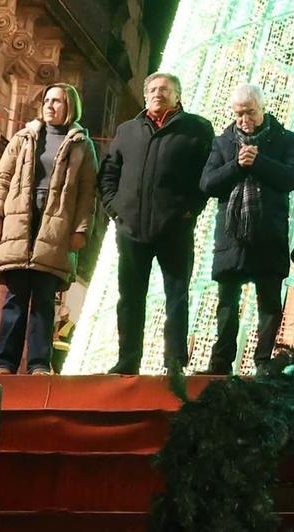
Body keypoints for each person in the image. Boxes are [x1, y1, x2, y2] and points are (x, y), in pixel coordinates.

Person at [99, 72, 215, 375]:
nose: (157, 93)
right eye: (152, 89)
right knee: (130, 297)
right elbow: (109, 172)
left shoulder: (198, 129)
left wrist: (191, 210)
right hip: (131, 229)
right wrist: (115, 209)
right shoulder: (128, 130)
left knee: (177, 295)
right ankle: (128, 360)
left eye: (164, 89)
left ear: (178, 95)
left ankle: (174, 360)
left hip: (175, 228)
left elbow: (207, 175)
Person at [0, 83, 98, 373]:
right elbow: (1, 178)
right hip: (20, 220)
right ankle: (4, 364)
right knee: (15, 298)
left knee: (44, 299)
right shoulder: (24, 137)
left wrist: (81, 229)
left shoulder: (82, 144)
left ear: (69, 106)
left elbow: (87, 192)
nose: (50, 106)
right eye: (47, 100)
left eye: (57, 101)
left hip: (55, 227)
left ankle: (38, 363)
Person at [199, 84, 294, 373]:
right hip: (232, 236)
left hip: (268, 233)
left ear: (263, 108)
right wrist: (236, 165)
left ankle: (263, 362)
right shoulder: (222, 143)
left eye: (250, 112)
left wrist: (258, 162)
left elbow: (292, 176)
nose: (244, 119)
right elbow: (207, 183)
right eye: (239, 113)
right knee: (227, 303)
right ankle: (220, 362)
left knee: (268, 303)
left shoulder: (285, 139)